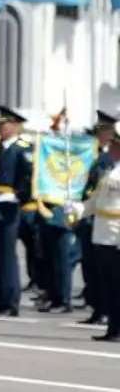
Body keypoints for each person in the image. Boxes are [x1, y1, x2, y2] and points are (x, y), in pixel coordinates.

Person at [72, 126, 120, 342]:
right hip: (102, 235)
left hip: (116, 236)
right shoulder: (111, 170)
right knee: (108, 285)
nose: (110, 148)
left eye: (115, 145)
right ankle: (113, 327)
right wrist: (78, 209)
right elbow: (96, 202)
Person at [0, 107, 32, 317]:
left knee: (7, 255)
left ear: (14, 125)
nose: (1, 128)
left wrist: (18, 195)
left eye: (4, 124)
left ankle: (11, 301)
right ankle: (0, 300)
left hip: (9, 206)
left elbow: (29, 177)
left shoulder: (22, 148)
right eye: (0, 125)